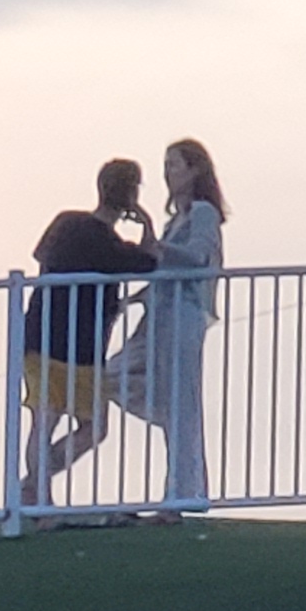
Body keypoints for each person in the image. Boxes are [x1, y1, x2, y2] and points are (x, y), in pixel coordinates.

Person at [23, 159, 155, 497]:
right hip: (75, 346)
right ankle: (38, 493)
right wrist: (147, 224)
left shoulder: (66, 223)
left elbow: (42, 255)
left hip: (46, 336)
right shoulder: (111, 247)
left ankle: (35, 487)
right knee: (89, 426)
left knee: (50, 422)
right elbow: (150, 261)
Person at [114, 139, 228, 510]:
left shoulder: (202, 213)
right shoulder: (173, 222)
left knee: (182, 401)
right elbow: (165, 271)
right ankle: (180, 475)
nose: (167, 173)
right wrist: (134, 298)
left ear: (195, 170)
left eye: (174, 165)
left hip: (184, 313)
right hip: (159, 314)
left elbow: (197, 258)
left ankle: (184, 493)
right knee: (113, 375)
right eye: (165, 165)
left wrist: (155, 245)